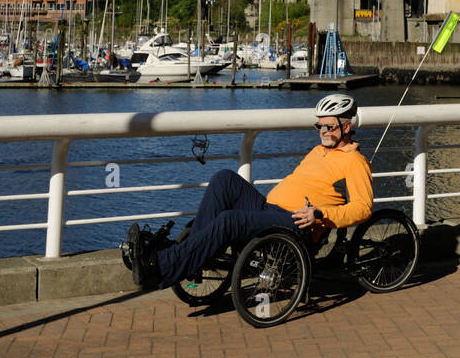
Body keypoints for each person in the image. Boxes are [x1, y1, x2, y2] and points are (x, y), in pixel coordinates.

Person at [122, 93, 373, 290]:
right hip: (270, 209)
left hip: (298, 222)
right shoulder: (320, 150)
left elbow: (363, 208)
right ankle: (193, 259)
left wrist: (320, 214)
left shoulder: (355, 162)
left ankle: (161, 264)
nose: (323, 132)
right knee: (225, 179)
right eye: (319, 126)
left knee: (230, 220)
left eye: (329, 127)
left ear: (347, 126)